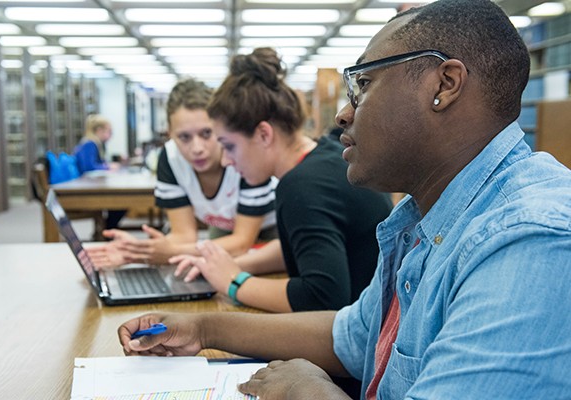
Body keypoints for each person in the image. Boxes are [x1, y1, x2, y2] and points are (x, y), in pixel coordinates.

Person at [118, 0, 571, 399]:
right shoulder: (425, 218)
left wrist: (306, 390)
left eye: (365, 84)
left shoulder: (530, 241)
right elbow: (351, 336)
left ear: (444, 84)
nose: (342, 113)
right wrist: (203, 329)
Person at [169, 48, 392, 313]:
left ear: (263, 134)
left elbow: (322, 299)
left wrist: (233, 282)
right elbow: (306, 249)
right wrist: (233, 265)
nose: (226, 161)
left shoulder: (300, 187)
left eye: (229, 146)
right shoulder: (324, 155)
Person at [86, 78, 278, 267]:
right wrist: (134, 251)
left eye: (206, 133)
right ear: (170, 132)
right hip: (224, 230)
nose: (197, 148)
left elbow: (242, 242)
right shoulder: (170, 159)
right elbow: (184, 236)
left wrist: (159, 253)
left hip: (273, 228)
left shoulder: (241, 154)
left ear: (220, 126)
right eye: (184, 137)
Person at [73, 114, 124, 230]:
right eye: (109, 131)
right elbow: (89, 168)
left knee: (118, 202)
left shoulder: (95, 144)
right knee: (120, 201)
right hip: (85, 189)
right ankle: (107, 230)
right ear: (100, 130)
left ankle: (106, 230)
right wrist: (108, 168)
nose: (111, 134)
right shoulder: (90, 143)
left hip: (87, 185)